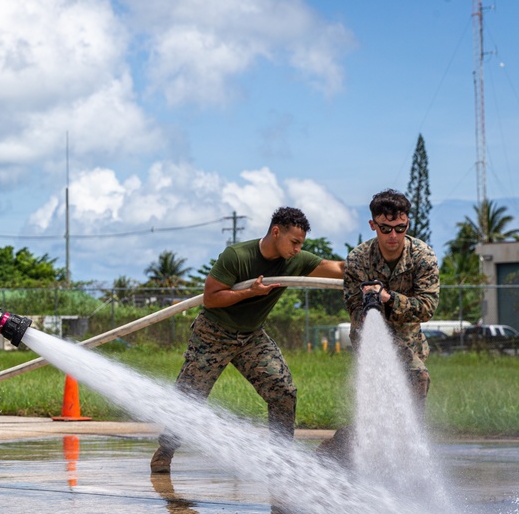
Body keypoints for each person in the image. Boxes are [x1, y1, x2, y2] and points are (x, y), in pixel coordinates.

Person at [151, 207, 345, 474]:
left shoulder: (295, 260)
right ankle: (166, 451)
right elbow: (211, 297)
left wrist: (370, 263)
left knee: (283, 391)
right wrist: (249, 292)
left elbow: (337, 268)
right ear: (276, 232)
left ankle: (280, 458)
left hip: (251, 337)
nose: (298, 249)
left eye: (302, 244)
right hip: (213, 334)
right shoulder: (237, 256)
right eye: (294, 242)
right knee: (190, 397)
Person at [318, 189, 439, 458]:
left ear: (408, 223)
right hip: (369, 336)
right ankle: (365, 454)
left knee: (406, 400)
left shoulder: (423, 256)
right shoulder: (358, 259)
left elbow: (427, 307)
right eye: (385, 229)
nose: (393, 236)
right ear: (373, 225)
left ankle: (356, 450)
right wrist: (368, 303)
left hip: (410, 339)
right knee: (405, 386)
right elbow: (352, 306)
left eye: (400, 227)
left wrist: (389, 299)